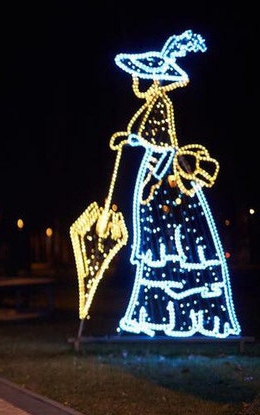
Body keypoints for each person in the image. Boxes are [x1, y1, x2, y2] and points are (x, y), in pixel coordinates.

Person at [110, 30, 241, 338]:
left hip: (164, 182)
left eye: (143, 76)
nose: (138, 81)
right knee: (167, 246)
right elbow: (149, 139)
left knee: (170, 245)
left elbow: (165, 147)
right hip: (157, 174)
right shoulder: (154, 103)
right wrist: (128, 140)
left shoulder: (161, 104)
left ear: (155, 78)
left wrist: (152, 182)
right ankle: (163, 316)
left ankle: (178, 317)